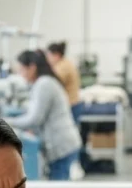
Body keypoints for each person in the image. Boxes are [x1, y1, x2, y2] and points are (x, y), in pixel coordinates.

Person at [9, 50, 82, 181]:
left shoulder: (44, 84)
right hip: (62, 145)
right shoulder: (44, 82)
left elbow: (34, 119)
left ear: (32, 67)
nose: (21, 74)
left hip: (62, 146)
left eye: (22, 69)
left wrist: (5, 121)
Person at [47, 41, 82, 110]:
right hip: (73, 102)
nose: (48, 59)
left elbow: (54, 85)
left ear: (56, 55)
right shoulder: (64, 63)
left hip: (70, 104)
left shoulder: (62, 67)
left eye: (49, 56)